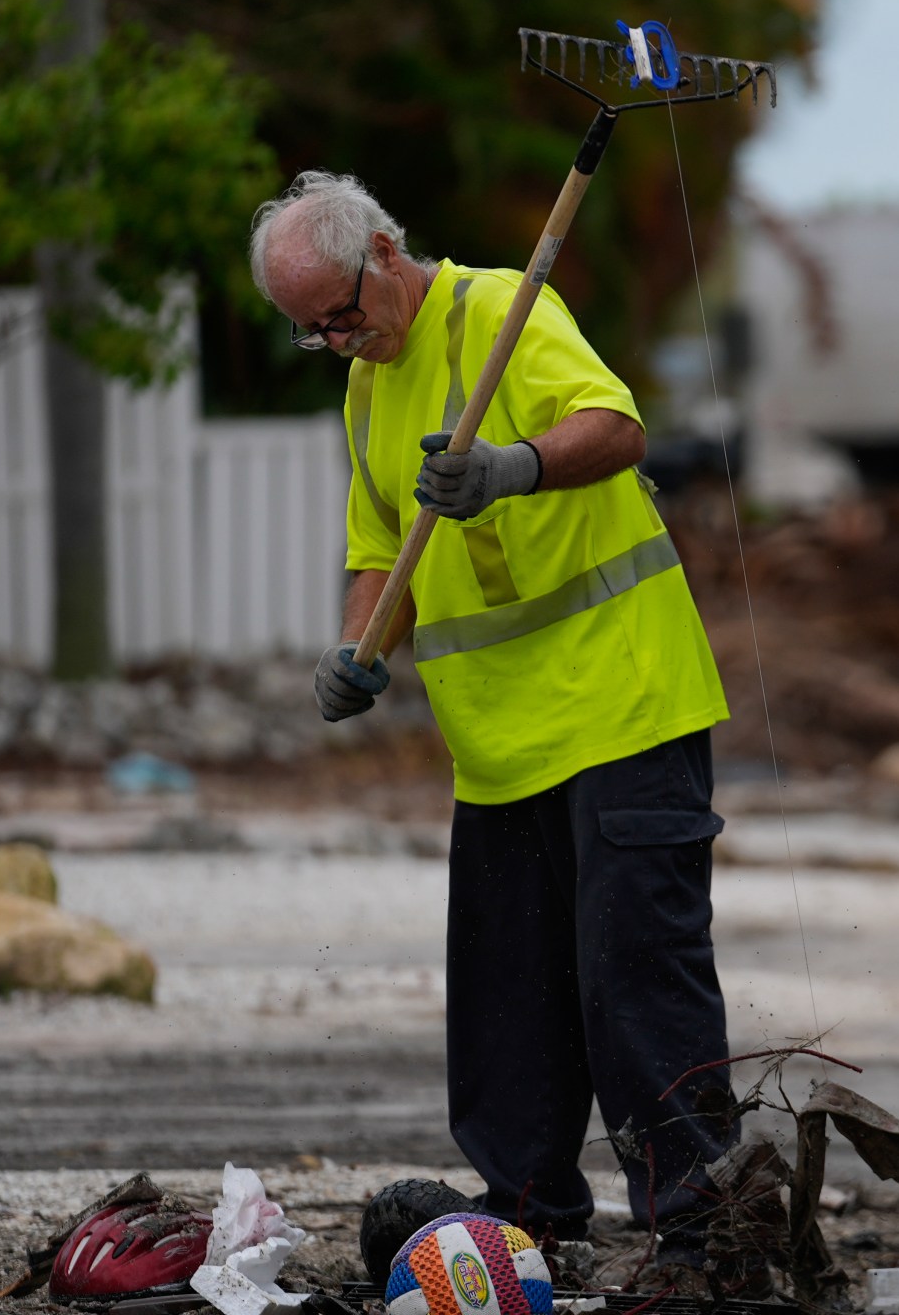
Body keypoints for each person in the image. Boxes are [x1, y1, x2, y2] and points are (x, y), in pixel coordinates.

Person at [247, 169, 735, 1277]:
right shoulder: (366, 390)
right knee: (509, 994)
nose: (336, 340)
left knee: (635, 976)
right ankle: (526, 1216)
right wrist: (354, 648)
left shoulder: (501, 312)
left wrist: (513, 468)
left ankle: (703, 1228)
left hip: (622, 705)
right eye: (309, 332)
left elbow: (614, 427)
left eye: (339, 313)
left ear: (381, 252)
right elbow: (381, 549)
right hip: (499, 746)